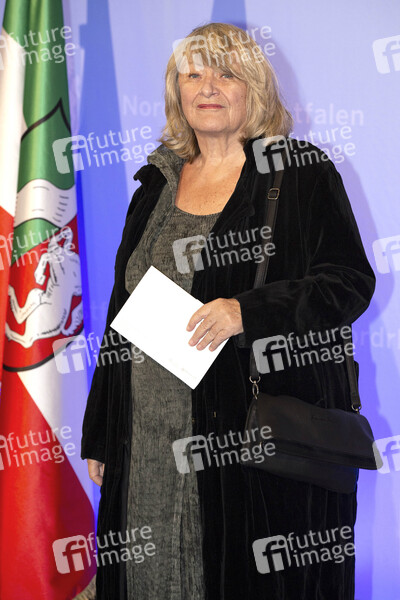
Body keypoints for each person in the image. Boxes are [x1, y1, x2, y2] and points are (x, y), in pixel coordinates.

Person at [81, 22, 375, 600]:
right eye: (193, 74)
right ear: (177, 91)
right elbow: (122, 310)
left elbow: (348, 284)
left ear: (254, 88)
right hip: (145, 440)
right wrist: (101, 430)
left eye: (226, 73)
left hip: (244, 439)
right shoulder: (155, 183)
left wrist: (248, 311)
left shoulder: (299, 172)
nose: (207, 86)